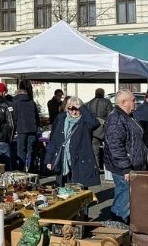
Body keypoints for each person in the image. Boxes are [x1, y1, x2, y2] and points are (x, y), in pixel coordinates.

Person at [104, 90, 147, 224]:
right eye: (133, 100)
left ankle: (122, 226)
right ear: (124, 102)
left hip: (133, 166)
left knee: (128, 199)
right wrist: (126, 169)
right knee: (124, 199)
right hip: (124, 168)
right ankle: (115, 228)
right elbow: (115, 146)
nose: (136, 102)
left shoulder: (128, 116)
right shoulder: (116, 118)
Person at [45, 96, 100, 187]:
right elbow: (53, 140)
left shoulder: (85, 120)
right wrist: (49, 159)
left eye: (77, 109)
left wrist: (81, 107)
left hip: (80, 161)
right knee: (62, 190)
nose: (74, 112)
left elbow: (94, 124)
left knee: (79, 191)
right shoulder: (61, 118)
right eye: (71, 109)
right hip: (63, 159)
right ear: (67, 108)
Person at [13, 80, 40, 172]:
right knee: (31, 150)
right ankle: (31, 168)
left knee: (21, 150)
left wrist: (14, 128)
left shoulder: (16, 101)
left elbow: (15, 116)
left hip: (21, 129)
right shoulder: (32, 101)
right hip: (32, 128)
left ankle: (21, 169)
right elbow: (37, 116)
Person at [86, 88, 114, 169]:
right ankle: (109, 168)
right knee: (108, 149)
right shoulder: (107, 102)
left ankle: (96, 167)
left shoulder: (89, 103)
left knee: (95, 150)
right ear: (103, 93)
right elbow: (111, 115)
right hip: (105, 128)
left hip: (93, 129)